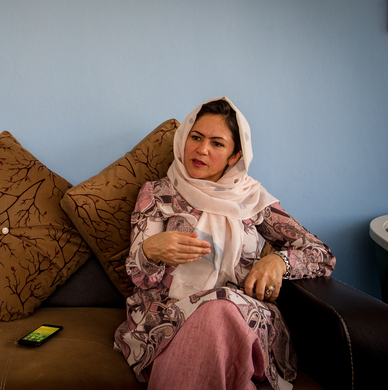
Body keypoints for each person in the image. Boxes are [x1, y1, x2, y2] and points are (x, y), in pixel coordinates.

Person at [113, 97, 335, 390]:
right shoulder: (158, 194)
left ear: (234, 156)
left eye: (217, 143)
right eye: (196, 137)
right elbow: (141, 277)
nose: (201, 149)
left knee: (219, 309)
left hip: (239, 312)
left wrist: (277, 261)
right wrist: (151, 250)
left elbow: (321, 255)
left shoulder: (253, 201)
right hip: (168, 317)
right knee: (212, 331)